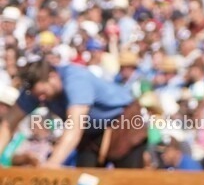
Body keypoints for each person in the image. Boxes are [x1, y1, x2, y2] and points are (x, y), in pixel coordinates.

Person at [0, 58, 146, 168]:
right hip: (91, 134)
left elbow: (74, 127)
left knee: (127, 181)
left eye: (43, 93)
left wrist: (50, 167)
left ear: (53, 76)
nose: (41, 99)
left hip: (124, 125)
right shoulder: (36, 92)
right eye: (38, 96)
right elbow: (8, 123)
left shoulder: (75, 79)